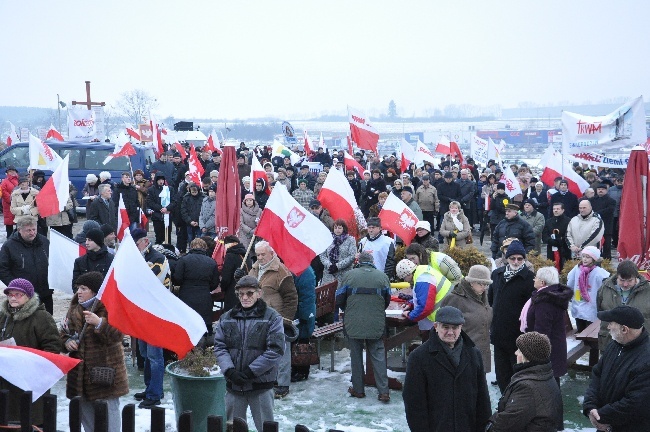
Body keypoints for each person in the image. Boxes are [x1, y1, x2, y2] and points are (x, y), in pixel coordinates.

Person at [403, 306, 491, 432]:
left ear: (461, 328)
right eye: (445, 327)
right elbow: (414, 404)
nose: (450, 332)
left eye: (455, 328)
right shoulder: (419, 357)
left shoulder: (473, 354)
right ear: (435, 326)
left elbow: (482, 397)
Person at [214, 275, 284, 431]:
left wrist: (250, 371)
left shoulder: (272, 317)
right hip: (234, 385)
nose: (245, 297)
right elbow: (220, 346)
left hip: (261, 385)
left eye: (249, 293)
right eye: (241, 294)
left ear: (259, 293)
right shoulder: (227, 317)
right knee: (232, 427)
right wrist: (230, 371)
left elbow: (275, 349)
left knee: (265, 426)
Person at [61, 272, 128, 432]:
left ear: (95, 291)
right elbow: (63, 332)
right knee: (88, 421)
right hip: (80, 377)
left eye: (84, 288)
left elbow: (118, 335)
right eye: (78, 288)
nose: (79, 292)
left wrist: (100, 323)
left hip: (104, 374)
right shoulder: (74, 309)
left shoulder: (109, 307)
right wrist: (67, 342)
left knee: (109, 420)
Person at [0, 278, 60, 426]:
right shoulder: (3, 316)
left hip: (31, 381)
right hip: (5, 379)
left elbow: (53, 347)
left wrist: (32, 363)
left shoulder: (41, 317)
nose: (12, 297)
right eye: (10, 294)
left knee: (30, 420)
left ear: (28, 296)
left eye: (18, 294)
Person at [243, 241, 298, 399]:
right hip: (257, 317)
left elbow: (291, 298)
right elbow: (245, 292)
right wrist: (240, 280)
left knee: (280, 353)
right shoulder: (254, 269)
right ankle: (266, 380)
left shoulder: (281, 271)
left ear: (271, 254)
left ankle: (282, 384)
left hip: (276, 317)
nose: (259, 257)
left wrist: (286, 320)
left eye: (263, 254)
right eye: (258, 254)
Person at [583, 306, 650, 432]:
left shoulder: (646, 360)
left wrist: (601, 416)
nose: (608, 327)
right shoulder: (616, 344)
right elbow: (597, 374)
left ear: (624, 329)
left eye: (611, 323)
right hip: (605, 424)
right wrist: (590, 406)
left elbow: (635, 403)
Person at [336, 251, 391, 402]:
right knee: (378, 355)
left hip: (353, 322)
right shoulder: (383, 277)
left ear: (358, 261)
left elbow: (339, 298)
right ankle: (384, 391)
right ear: (372, 261)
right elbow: (386, 300)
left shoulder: (349, 276)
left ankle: (358, 389)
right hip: (376, 322)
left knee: (356, 356)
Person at [487, 332, 563, 431]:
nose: (516, 353)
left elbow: (505, 424)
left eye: (519, 350)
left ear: (527, 356)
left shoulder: (527, 387)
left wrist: (489, 426)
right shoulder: (545, 375)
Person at [489, 240, 536, 393]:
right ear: (506, 258)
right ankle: (505, 403)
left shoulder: (530, 279)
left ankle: (516, 404)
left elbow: (532, 309)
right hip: (498, 333)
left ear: (524, 260)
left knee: (517, 374)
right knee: (502, 374)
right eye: (512, 258)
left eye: (520, 259)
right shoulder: (497, 274)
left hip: (518, 336)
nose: (516, 262)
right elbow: (491, 299)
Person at [131, 229, 170, 408]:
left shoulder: (158, 258)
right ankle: (150, 388)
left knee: (155, 356)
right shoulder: (136, 258)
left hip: (156, 312)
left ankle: (155, 394)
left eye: (136, 244)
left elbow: (147, 281)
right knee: (145, 354)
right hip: (142, 312)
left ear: (145, 241)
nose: (133, 247)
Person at [525, 266, 572, 396]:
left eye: (536, 277)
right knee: (552, 382)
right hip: (555, 347)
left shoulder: (544, 302)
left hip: (547, 352)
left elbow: (541, 332)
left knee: (548, 386)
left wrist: (534, 355)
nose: (534, 279)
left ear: (543, 283)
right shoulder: (553, 296)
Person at [437, 265, 493, 373]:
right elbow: (442, 327)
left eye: (486, 284)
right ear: (471, 282)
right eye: (481, 283)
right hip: (462, 356)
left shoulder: (482, 296)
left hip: (480, 353)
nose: (484, 287)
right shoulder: (455, 299)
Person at [0, 216, 52, 314]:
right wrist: (15, 287)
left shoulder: (44, 241)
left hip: (45, 291)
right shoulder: (9, 246)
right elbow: (2, 269)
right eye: (28, 230)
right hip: (23, 295)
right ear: (19, 230)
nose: (32, 233)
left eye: (34, 229)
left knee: (46, 321)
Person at [396, 257, 455, 342]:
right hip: (448, 312)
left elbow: (425, 307)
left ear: (409, 274)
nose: (406, 281)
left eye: (404, 278)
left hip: (443, 319)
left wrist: (409, 315)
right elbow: (427, 296)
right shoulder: (424, 271)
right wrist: (411, 303)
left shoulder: (422, 280)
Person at [597, 260, 650, 352]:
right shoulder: (605, 287)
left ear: (636, 277)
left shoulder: (647, 290)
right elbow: (599, 308)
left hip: (639, 345)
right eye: (621, 280)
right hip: (609, 341)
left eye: (630, 281)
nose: (625, 284)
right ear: (616, 276)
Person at [172, 238, 220, 335]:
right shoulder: (211, 262)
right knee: (203, 324)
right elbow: (215, 282)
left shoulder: (183, 260)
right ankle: (202, 347)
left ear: (191, 247)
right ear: (205, 248)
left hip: (186, 295)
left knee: (187, 324)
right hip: (204, 296)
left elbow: (177, 279)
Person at [566, 246, 610, 332]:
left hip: (592, 305)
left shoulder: (598, 272)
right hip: (578, 303)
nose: (585, 259)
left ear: (594, 259)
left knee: (590, 330)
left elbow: (606, 284)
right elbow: (570, 281)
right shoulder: (577, 269)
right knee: (580, 328)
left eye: (588, 257)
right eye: (583, 256)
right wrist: (570, 294)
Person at [291, 266, 316, 382]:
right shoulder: (302, 270)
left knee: (302, 341)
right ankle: (297, 368)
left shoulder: (304, 272)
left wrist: (304, 315)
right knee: (298, 340)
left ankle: (302, 371)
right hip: (301, 312)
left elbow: (307, 297)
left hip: (303, 313)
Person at [319, 219, 356, 286]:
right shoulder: (328, 238)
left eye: (339, 228)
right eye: (335, 227)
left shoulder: (350, 240)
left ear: (343, 228)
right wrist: (329, 265)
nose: (337, 230)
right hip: (329, 274)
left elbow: (352, 256)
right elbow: (322, 255)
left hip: (343, 274)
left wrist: (337, 266)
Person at [590, 183, 616, 260]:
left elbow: (610, 210)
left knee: (607, 245)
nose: (600, 191)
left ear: (606, 190)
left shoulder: (611, 200)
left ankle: (606, 261)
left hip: (606, 226)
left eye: (602, 189)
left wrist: (597, 213)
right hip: (595, 225)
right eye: (599, 189)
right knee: (595, 244)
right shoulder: (592, 200)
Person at [542, 202, 571, 271]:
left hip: (564, 248)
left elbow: (569, 234)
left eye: (558, 209)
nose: (555, 210)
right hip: (551, 248)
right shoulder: (549, 221)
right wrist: (550, 240)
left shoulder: (568, 221)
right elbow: (544, 235)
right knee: (552, 266)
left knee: (564, 267)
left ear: (563, 210)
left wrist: (560, 241)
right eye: (554, 209)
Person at [147, 172, 174, 244]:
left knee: (167, 236)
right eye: (159, 180)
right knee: (158, 236)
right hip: (157, 216)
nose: (161, 181)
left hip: (167, 215)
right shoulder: (151, 190)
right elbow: (150, 202)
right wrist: (160, 208)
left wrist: (167, 208)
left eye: (162, 179)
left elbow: (174, 201)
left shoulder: (169, 189)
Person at [1, 166, 20, 236]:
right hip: (9, 205)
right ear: (7, 172)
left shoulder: (19, 180)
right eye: (10, 171)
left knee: (19, 223)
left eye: (13, 171)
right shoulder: (4, 181)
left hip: (19, 205)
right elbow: (3, 192)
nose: (12, 172)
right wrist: (11, 200)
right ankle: (9, 240)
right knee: (9, 223)